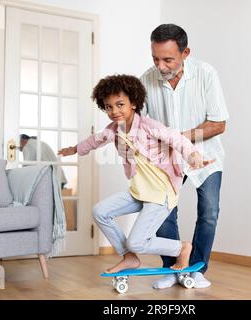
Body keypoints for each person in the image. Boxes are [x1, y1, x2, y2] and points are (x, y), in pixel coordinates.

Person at [58, 74, 214, 274]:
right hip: (139, 191)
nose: (114, 111)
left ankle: (181, 248)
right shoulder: (113, 130)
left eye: (120, 104)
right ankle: (129, 257)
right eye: (108, 107)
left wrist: (193, 155)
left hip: (160, 193)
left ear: (133, 103)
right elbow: (94, 141)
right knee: (100, 211)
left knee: (137, 241)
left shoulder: (148, 126)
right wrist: (74, 149)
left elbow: (176, 139)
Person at [140, 24, 229, 289]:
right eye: (155, 58)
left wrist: (178, 137)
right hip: (166, 161)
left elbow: (218, 124)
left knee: (209, 213)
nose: (161, 66)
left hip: (206, 158)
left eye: (168, 59)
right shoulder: (145, 80)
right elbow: (141, 126)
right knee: (164, 214)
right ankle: (172, 268)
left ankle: (197, 268)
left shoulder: (206, 74)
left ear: (185, 53)